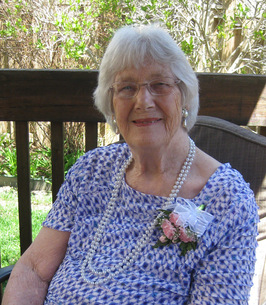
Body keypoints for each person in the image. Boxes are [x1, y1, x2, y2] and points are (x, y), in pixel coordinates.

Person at [3, 24, 258, 305]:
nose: (143, 101)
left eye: (159, 85)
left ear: (184, 95)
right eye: (127, 88)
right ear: (111, 104)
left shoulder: (226, 199)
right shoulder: (91, 172)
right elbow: (33, 271)